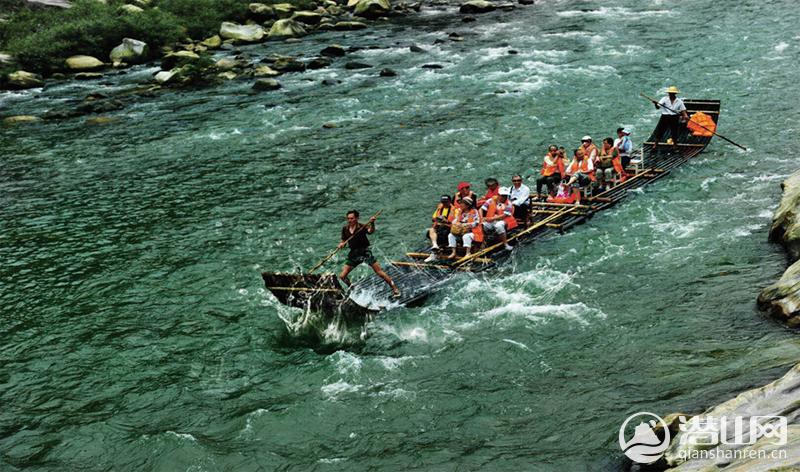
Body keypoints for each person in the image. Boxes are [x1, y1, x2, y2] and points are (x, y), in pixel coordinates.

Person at [338, 210, 400, 297]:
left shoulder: (362, 226)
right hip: (353, 254)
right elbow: (343, 240)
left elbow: (371, 231)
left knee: (379, 272)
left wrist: (372, 223)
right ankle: (352, 288)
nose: (349, 220)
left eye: (352, 218)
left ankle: (394, 288)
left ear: (357, 218)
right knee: (342, 276)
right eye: (348, 218)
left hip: (364, 252)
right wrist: (341, 244)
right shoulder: (345, 228)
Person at [653, 86, 690, 152]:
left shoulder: (679, 101)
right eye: (670, 93)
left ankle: (675, 146)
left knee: (674, 131)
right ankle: (655, 145)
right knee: (660, 130)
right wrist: (656, 104)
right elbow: (658, 107)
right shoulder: (664, 99)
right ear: (668, 93)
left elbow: (683, 110)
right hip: (665, 116)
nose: (671, 94)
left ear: (675, 94)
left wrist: (685, 116)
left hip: (674, 117)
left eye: (673, 93)